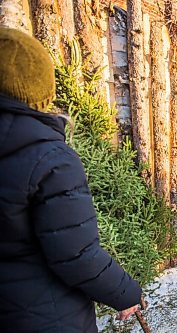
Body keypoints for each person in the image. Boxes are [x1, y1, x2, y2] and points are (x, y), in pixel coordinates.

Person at [0, 28, 141, 332]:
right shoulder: (49, 158)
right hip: (45, 316)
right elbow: (76, 254)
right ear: (39, 90)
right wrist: (126, 293)